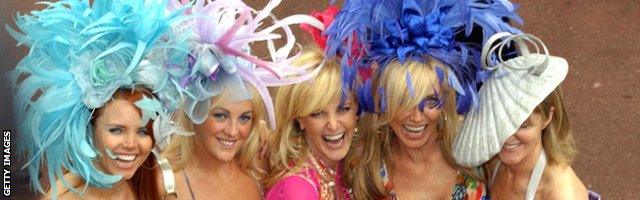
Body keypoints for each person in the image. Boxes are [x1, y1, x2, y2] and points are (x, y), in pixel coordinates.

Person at [324, 0, 522, 199]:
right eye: (403, 101)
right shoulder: (362, 163)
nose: (416, 117)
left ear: (445, 100)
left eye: (431, 101)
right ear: (384, 101)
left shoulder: (479, 152)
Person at [8, 0, 185, 199]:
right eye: (116, 130)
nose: (131, 143)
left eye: (143, 131)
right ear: (89, 132)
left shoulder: (150, 182)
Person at [155, 0, 324, 199]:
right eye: (220, 115)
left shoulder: (262, 163)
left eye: (244, 118)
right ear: (195, 113)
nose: (233, 131)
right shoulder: (164, 182)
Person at [453, 33, 601, 200]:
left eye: (522, 125)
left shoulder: (561, 194)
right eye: (500, 124)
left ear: (547, 117)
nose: (507, 137)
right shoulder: (493, 162)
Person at [265, 49, 357, 200]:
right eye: (318, 113)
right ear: (299, 118)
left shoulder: (342, 169)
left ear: (356, 110)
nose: (333, 125)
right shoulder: (297, 191)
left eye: (343, 109)